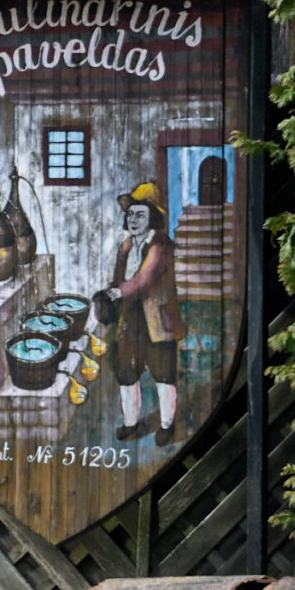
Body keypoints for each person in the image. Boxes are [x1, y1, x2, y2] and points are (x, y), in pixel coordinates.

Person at [96, 181, 180, 445]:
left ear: (153, 217)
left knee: (163, 371)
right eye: (131, 214)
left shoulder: (161, 245)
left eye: (140, 214)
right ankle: (131, 422)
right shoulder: (126, 246)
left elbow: (145, 278)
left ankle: (166, 424)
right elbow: (119, 278)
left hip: (157, 318)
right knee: (126, 369)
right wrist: (110, 294)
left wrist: (119, 292)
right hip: (130, 316)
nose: (133, 219)